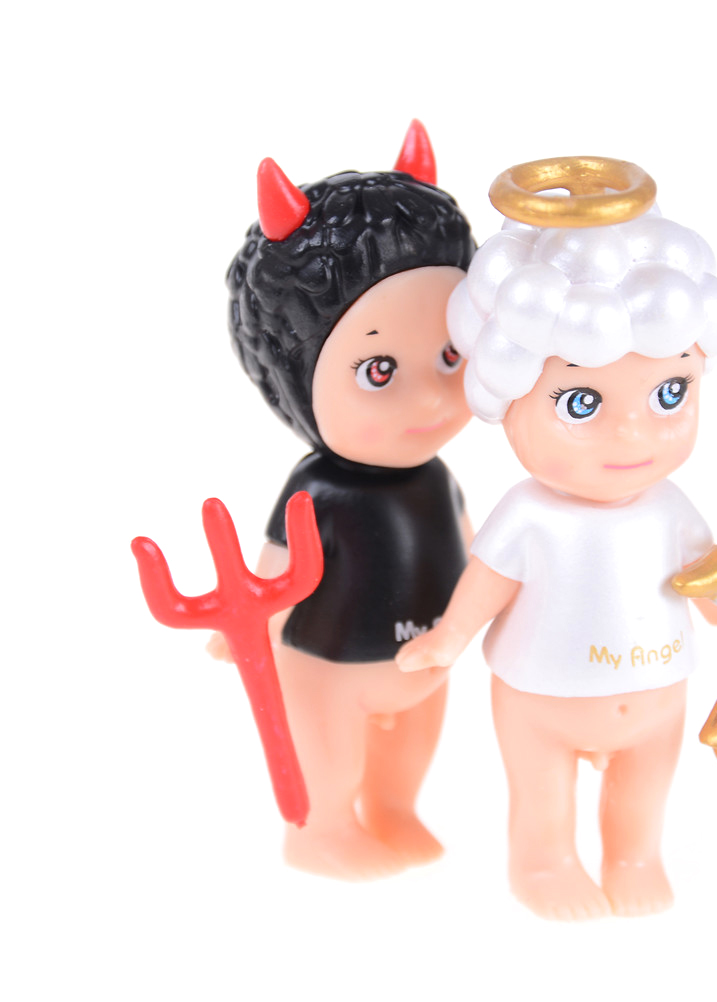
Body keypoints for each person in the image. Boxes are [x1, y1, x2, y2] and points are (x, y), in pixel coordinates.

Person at [398, 157, 717, 918]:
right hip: (541, 696)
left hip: (658, 692)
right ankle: (543, 864)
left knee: (646, 787)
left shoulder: (669, 507)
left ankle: (635, 856)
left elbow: (705, 579)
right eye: (582, 403)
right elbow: (490, 578)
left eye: (670, 392)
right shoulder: (531, 513)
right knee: (542, 794)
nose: (633, 432)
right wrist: (449, 638)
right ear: (510, 396)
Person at [215, 123, 477, 879]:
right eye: (379, 369)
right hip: (328, 662)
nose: (430, 397)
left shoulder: (438, 479)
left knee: (414, 739)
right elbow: (278, 567)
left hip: (427, 655)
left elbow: (472, 544)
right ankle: (322, 830)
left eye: (450, 355)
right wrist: (249, 622)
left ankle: (395, 807)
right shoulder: (317, 490)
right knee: (328, 752)